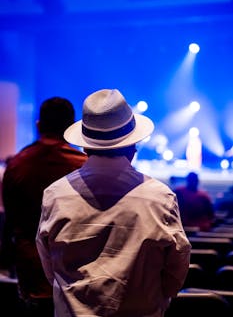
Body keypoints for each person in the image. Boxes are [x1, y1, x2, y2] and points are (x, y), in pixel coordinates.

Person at [36, 88, 191, 317]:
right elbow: (175, 270)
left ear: (86, 146)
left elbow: (50, 269)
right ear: (133, 147)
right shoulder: (161, 198)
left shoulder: (54, 195)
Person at [1, 97, 88, 317]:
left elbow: (10, 222)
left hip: (31, 272)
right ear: (71, 127)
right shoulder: (84, 166)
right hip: (76, 273)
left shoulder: (17, 164)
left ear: (39, 125)